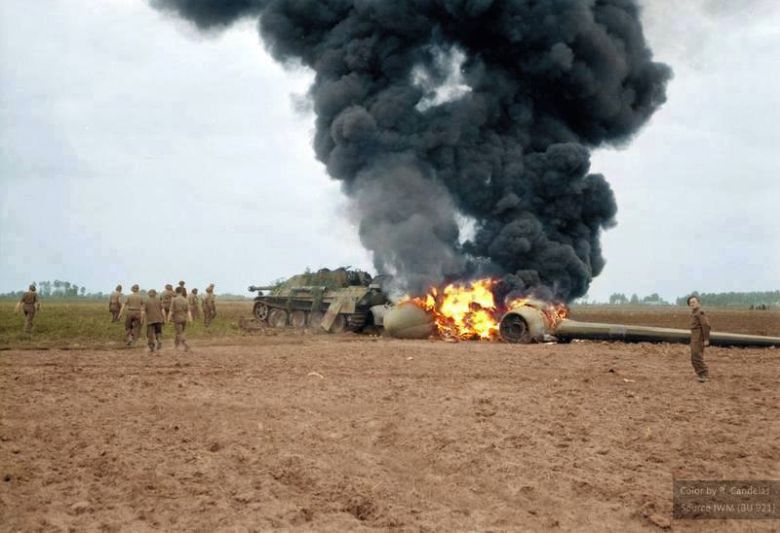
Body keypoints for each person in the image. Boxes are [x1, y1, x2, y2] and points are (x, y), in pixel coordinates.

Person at [687, 295, 711, 383]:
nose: (692, 304)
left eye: (694, 302)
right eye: (690, 303)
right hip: (694, 338)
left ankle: (704, 374)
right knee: (694, 357)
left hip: (699, 338)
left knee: (697, 356)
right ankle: (700, 374)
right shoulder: (694, 313)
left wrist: (706, 339)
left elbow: (706, 326)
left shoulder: (700, 313)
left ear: (698, 303)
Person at [168, 286, 192, 351]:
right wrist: (190, 319)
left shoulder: (174, 300)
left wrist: (168, 318)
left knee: (179, 333)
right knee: (180, 332)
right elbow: (188, 311)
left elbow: (171, 311)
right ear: (181, 292)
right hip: (184, 318)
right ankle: (176, 346)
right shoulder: (186, 300)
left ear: (176, 292)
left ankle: (185, 344)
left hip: (177, 318)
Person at [143, 289, 165, 353]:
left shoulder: (146, 301)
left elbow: (143, 312)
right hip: (159, 319)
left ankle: (151, 347)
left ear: (149, 294)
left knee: (150, 334)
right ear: (155, 294)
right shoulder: (159, 301)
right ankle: (159, 341)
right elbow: (163, 310)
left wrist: (142, 319)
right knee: (158, 332)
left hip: (150, 320)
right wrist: (164, 318)